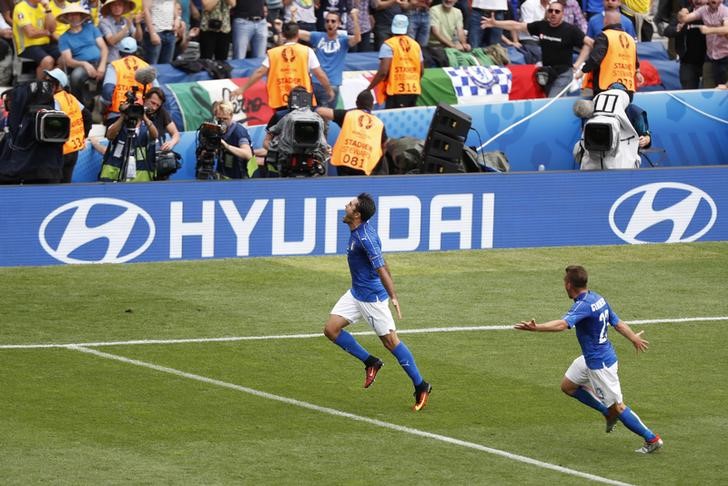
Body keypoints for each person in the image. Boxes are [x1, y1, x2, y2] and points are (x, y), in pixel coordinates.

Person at [514, 265, 663, 454]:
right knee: (568, 386)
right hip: (592, 357)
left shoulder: (583, 306)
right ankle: (606, 412)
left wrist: (537, 328)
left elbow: (562, 325)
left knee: (618, 406)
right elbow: (616, 322)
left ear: (569, 285)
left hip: (599, 364)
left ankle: (652, 438)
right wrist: (633, 337)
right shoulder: (597, 298)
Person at [324, 193, 432, 411]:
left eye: (351, 204)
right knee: (331, 329)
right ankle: (371, 362)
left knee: (391, 342)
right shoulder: (359, 231)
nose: (346, 204)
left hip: (371, 299)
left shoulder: (365, 238)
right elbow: (383, 261)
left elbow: (381, 267)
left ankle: (421, 385)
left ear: (357, 214)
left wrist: (393, 296)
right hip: (356, 293)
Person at [482, 1, 593, 97]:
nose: (553, 14)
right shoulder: (542, 26)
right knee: (548, 99)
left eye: (557, 11)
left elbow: (589, 43)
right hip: (547, 72)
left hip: (563, 73)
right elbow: (517, 26)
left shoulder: (570, 30)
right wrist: (495, 23)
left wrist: (578, 63)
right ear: (547, 12)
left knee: (552, 101)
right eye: (551, 11)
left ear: (562, 14)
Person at [230, 22, 335, 111]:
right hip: (302, 97)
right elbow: (320, 74)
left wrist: (242, 89)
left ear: (284, 34)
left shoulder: (273, 53)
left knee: (282, 127)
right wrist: (329, 89)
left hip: (280, 95)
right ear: (298, 34)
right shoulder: (307, 51)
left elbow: (260, 72)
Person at [315, 90, 388, 175]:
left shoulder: (348, 114)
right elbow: (384, 145)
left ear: (356, 103)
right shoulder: (379, 123)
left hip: (345, 162)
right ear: (372, 105)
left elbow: (320, 111)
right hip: (366, 164)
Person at [298, 9, 361, 109]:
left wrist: (355, 18)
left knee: (325, 118)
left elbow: (357, 38)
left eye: (333, 21)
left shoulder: (343, 40)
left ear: (339, 23)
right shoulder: (317, 36)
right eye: (327, 21)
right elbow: (296, 33)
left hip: (332, 84)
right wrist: (293, 16)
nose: (329, 24)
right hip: (315, 84)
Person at [576, 9, 644, 99]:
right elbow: (635, 61)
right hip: (628, 88)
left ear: (605, 21)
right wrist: (638, 73)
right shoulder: (630, 39)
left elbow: (595, 58)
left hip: (606, 87)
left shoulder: (604, 36)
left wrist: (582, 71)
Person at [99, 90, 159, 181]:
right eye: (132, 108)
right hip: (114, 177)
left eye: (137, 108)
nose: (134, 112)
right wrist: (123, 116)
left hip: (140, 180)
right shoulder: (119, 125)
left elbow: (155, 136)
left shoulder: (146, 128)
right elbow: (110, 136)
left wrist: (144, 117)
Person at [45, 67, 92, 182]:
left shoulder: (55, 100)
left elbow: (53, 123)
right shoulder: (70, 97)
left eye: (49, 82)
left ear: (59, 84)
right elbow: (87, 116)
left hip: (60, 150)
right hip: (73, 150)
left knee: (54, 185)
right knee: (65, 184)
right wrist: (83, 136)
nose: (46, 85)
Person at [367, 14, 423, 109]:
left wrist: (369, 89)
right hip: (413, 89)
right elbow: (421, 71)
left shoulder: (388, 45)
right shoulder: (416, 45)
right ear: (407, 27)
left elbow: (383, 72)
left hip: (396, 90)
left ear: (392, 26)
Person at [57, 3, 108, 107]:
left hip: (99, 62)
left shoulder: (91, 28)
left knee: (113, 73)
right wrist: (84, 64)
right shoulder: (64, 38)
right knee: (75, 77)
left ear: (81, 16)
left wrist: (102, 66)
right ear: (66, 18)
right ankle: (79, 106)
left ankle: (106, 105)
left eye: (76, 14)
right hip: (80, 65)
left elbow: (104, 48)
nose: (73, 17)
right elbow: (68, 60)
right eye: (70, 15)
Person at [101, 37, 155, 124]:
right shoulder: (146, 66)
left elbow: (107, 93)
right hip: (142, 116)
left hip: (117, 114)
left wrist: (106, 106)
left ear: (119, 52)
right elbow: (157, 91)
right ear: (136, 51)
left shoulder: (114, 65)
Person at [678, 0, 728, 87]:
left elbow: (726, 29)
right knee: (708, 90)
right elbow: (683, 19)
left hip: (725, 57)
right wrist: (682, 13)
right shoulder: (703, 10)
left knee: (723, 91)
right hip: (710, 58)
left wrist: (709, 30)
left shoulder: (725, 11)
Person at [663, 0, 707, 89]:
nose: (698, 1)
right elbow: (667, 31)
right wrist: (678, 28)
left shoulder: (716, 13)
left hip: (709, 62)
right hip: (688, 61)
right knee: (689, 93)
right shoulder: (684, 12)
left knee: (710, 94)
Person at [12, 0, 61, 79]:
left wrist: (48, 9)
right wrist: (47, 32)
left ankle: (50, 83)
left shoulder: (42, 7)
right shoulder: (20, 7)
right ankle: (39, 87)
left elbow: (52, 29)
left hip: (45, 44)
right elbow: (31, 33)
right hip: (26, 46)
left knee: (64, 58)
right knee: (48, 61)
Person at [212, 100, 255, 179]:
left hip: (244, 175)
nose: (221, 122)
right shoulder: (217, 129)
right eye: (219, 118)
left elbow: (248, 154)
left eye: (225, 119)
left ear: (231, 116)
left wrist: (227, 146)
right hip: (226, 173)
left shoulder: (238, 132)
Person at [143, 87, 180, 151]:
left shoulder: (162, 112)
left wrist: (171, 143)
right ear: (145, 98)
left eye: (158, 105)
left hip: (157, 152)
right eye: (153, 103)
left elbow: (175, 134)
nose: (154, 108)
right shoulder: (136, 110)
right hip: (139, 151)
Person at [142, 0, 177, 65]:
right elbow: (146, 10)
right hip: (155, 32)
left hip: (170, 32)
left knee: (166, 67)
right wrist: (152, 33)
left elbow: (174, 4)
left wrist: (177, 18)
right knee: (152, 68)